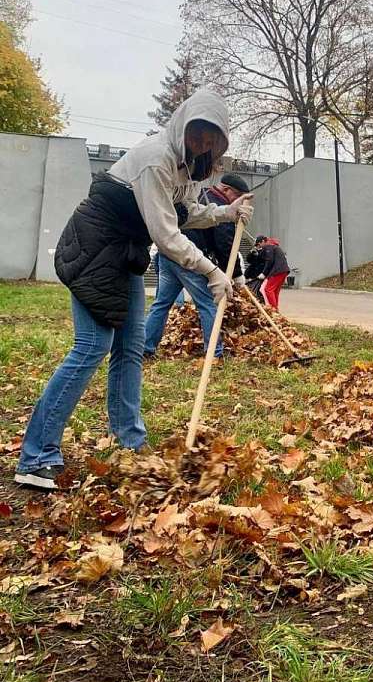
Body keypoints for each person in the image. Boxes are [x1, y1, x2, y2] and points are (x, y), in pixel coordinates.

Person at [15, 90, 253, 491]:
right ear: (183, 127)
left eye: (212, 140)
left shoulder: (185, 169)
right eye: (198, 135)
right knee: (92, 345)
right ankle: (36, 456)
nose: (203, 145)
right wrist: (212, 271)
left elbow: (187, 213)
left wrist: (226, 212)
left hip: (124, 253)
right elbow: (165, 233)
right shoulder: (157, 159)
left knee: (131, 345)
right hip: (95, 247)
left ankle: (130, 440)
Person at [143, 173, 251, 359]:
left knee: (161, 304)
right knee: (209, 304)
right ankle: (215, 353)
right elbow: (224, 244)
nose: (240, 202)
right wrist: (236, 274)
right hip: (189, 257)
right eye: (238, 195)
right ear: (226, 190)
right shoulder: (218, 202)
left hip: (169, 253)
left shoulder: (200, 195)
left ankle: (145, 348)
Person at [256, 236, 290, 310]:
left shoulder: (269, 246)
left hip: (277, 271)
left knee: (268, 289)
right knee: (275, 291)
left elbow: (269, 261)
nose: (259, 247)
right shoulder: (274, 247)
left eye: (258, 245)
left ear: (262, 242)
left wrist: (264, 273)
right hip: (284, 271)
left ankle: (274, 310)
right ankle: (276, 310)